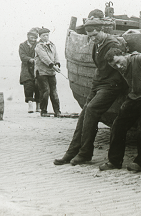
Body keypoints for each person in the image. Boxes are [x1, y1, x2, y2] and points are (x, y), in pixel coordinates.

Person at [53, 17, 127, 166]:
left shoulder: (112, 44)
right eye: (90, 36)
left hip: (111, 85)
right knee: (84, 114)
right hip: (99, 84)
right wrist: (94, 87)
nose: (92, 39)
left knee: (92, 110)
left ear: (102, 30)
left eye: (95, 35)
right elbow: (99, 69)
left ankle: (85, 153)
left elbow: (117, 68)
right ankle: (71, 152)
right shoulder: (98, 44)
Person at [99, 49, 141, 172]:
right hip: (135, 97)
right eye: (114, 66)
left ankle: (140, 163)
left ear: (124, 55)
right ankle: (114, 161)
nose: (118, 66)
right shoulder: (122, 67)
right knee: (117, 126)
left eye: (118, 62)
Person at [35, 28, 62, 117]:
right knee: (45, 91)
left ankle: (57, 111)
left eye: (47, 35)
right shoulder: (39, 46)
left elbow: (56, 55)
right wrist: (53, 66)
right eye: (43, 35)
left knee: (54, 92)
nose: (46, 37)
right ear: (40, 36)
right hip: (42, 72)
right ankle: (43, 111)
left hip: (51, 72)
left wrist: (57, 64)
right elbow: (44, 58)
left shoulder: (52, 45)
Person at [19, 28, 40, 113]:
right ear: (28, 36)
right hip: (26, 69)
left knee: (38, 86)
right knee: (28, 86)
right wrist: (30, 59)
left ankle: (38, 106)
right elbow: (22, 56)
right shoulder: (22, 45)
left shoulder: (38, 45)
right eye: (32, 38)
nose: (33, 40)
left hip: (37, 68)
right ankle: (30, 105)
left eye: (35, 38)